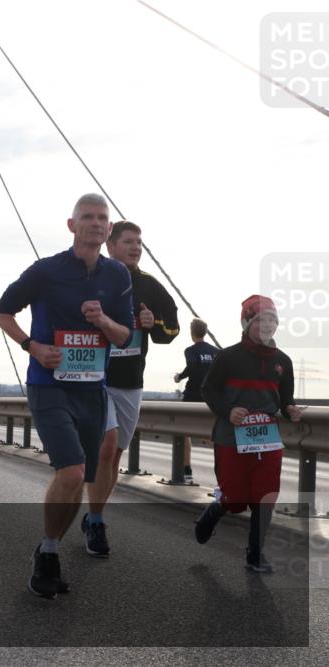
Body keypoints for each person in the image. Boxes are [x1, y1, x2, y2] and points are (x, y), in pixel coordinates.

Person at [0, 193, 133, 599]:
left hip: (92, 390)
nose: (94, 223)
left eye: (102, 218)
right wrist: (32, 346)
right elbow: (2, 311)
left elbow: (124, 335)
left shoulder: (118, 276)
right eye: (86, 217)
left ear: (109, 230)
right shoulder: (46, 270)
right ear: (72, 225)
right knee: (71, 472)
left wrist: (102, 319)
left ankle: (49, 547)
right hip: (48, 384)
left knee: (81, 480)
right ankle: (49, 553)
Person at [80, 221, 179, 557]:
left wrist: (155, 325)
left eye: (139, 242)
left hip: (130, 380)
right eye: (128, 242)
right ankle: (95, 522)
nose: (136, 247)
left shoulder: (150, 285)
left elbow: (172, 329)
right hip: (94, 376)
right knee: (106, 449)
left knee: (115, 456)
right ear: (110, 245)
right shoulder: (92, 275)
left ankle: (95, 513)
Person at [194, 295, 300, 573]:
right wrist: (228, 411)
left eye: (272, 321)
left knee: (266, 496)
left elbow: (285, 398)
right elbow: (208, 390)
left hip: (267, 439)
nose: (267, 326)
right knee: (237, 499)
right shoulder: (228, 357)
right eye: (260, 321)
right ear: (247, 323)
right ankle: (217, 509)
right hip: (232, 439)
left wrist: (291, 410)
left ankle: (255, 553)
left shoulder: (283, 361)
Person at [175, 318, 220, 483]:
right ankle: (221, 471)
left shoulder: (190, 351)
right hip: (210, 397)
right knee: (213, 434)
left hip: (192, 395)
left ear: (192, 333)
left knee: (184, 433)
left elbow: (192, 368)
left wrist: (179, 376)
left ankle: (187, 468)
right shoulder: (216, 352)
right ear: (206, 332)